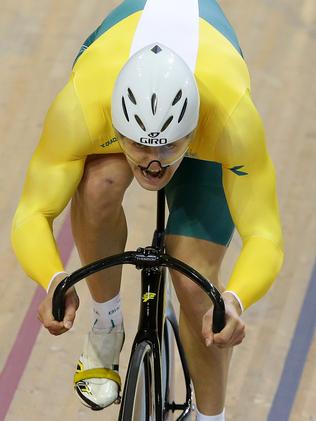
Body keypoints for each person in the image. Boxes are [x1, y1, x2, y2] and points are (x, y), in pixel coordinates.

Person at [11, 0, 284, 420]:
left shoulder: (229, 121)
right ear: (116, 126)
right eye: (138, 146)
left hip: (209, 104)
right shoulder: (83, 108)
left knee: (197, 290)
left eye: (168, 147)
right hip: (112, 64)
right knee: (99, 185)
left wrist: (233, 300)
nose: (153, 163)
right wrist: (54, 279)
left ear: (193, 131)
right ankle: (106, 323)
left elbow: (264, 234)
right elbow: (33, 212)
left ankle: (212, 416)